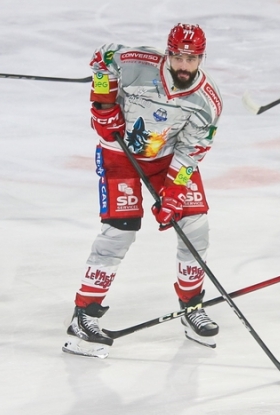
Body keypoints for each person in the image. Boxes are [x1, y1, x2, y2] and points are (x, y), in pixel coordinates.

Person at [63, 23, 224, 357]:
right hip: (120, 154)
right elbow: (102, 59)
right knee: (119, 231)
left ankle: (192, 307)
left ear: (201, 59)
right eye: (177, 57)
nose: (183, 66)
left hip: (168, 160)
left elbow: (191, 152)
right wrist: (103, 103)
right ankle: (84, 315)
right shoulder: (138, 62)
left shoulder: (207, 102)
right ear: (168, 53)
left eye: (191, 59)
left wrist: (174, 194)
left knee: (195, 226)